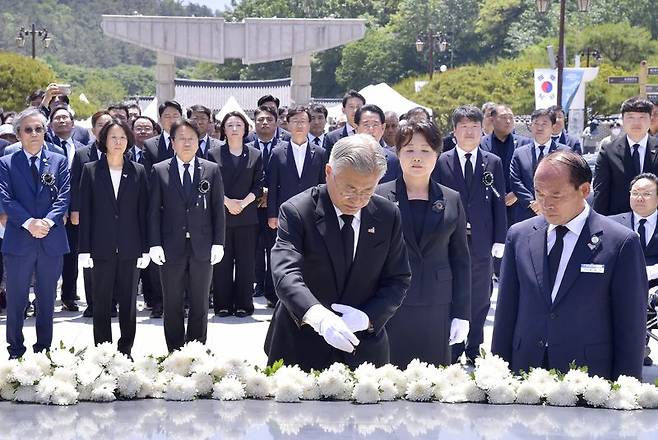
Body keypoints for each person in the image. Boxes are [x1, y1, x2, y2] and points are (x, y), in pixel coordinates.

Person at [492, 150, 647, 380]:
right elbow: (506, 313)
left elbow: (631, 326)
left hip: (588, 378)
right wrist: (497, 376)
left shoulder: (620, 242)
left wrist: (625, 389)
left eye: (556, 195)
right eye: (539, 193)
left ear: (584, 190)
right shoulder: (519, 235)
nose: (545, 204)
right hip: (525, 374)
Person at [264, 134, 411, 370]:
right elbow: (285, 274)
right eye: (349, 188)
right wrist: (318, 317)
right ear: (329, 172)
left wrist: (368, 318)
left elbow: (398, 278)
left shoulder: (387, 215)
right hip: (301, 344)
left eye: (367, 190)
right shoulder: (297, 211)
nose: (358, 199)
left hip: (363, 347)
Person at [375, 121, 470, 367]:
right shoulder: (379, 197)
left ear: (437, 155)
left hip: (437, 304)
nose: (417, 157)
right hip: (391, 304)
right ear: (397, 154)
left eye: (425, 150)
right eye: (409, 150)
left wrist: (462, 313)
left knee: (433, 383)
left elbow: (460, 260)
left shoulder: (451, 199)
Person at [433, 105, 507, 364]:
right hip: (450, 240)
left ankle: (475, 345)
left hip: (482, 241)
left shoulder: (493, 162)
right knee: (452, 291)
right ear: (454, 131)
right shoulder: (442, 161)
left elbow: (499, 202)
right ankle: (453, 346)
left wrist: (500, 238)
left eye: (475, 127)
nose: (470, 132)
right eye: (464, 127)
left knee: (480, 294)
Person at [148, 119, 225, 352]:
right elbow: (152, 212)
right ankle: (175, 352)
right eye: (181, 138)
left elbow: (217, 210)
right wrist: (154, 244)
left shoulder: (211, 170)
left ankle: (196, 352)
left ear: (198, 142)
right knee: (172, 303)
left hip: (202, 246)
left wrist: (218, 243)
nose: (187, 142)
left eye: (191, 138)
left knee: (200, 303)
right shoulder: (160, 170)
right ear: (172, 143)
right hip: (171, 247)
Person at [0, 108, 70, 358]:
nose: (34, 134)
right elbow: (5, 199)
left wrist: (47, 223)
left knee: (46, 300)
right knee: (17, 300)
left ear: (45, 132)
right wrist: (30, 223)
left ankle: (44, 351)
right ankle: (15, 350)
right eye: (28, 129)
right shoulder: (6, 162)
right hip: (19, 240)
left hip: (51, 240)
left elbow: (64, 197)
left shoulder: (59, 159)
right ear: (18, 134)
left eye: (39, 129)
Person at [78, 119, 149, 357]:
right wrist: (84, 249)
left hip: (130, 246)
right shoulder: (90, 170)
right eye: (113, 137)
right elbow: (85, 211)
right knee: (101, 302)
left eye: (122, 138)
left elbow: (144, 212)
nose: (118, 142)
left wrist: (146, 248)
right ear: (104, 141)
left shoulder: (138, 171)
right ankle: (103, 351)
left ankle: (126, 349)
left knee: (129, 303)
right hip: (101, 246)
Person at [209, 112, 263, 317]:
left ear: (245, 128)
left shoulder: (255, 154)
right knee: (222, 262)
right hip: (221, 214)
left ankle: (243, 304)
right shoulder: (213, 154)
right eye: (229, 125)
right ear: (223, 129)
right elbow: (209, 183)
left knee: (245, 263)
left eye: (238, 125)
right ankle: (222, 304)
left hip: (247, 216)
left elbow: (259, 185)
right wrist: (227, 202)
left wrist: (242, 203)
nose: (234, 128)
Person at [609, 172, 658, 366]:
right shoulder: (611, 224)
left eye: (646, 194)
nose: (639, 198)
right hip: (620, 285)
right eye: (635, 192)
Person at [70, 110, 113, 318]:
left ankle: (112, 302)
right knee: (90, 260)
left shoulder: (123, 152)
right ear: (93, 129)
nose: (104, 129)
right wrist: (75, 210)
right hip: (89, 215)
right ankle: (93, 303)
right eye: (101, 126)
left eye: (109, 125)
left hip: (115, 215)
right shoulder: (81, 154)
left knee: (114, 258)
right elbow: (74, 185)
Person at [48, 105, 86, 313]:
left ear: (72, 123)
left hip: (75, 208)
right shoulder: (45, 145)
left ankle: (69, 296)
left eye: (66, 118)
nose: (62, 121)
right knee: (50, 255)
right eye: (57, 118)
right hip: (51, 209)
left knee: (71, 255)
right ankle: (47, 296)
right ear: (51, 124)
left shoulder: (81, 147)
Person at [593, 97, 658, 216]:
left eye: (642, 117)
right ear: (623, 120)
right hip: (620, 222)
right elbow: (601, 192)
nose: (636, 123)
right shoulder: (608, 151)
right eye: (630, 117)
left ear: (650, 119)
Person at [266, 106, 327, 232]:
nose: (299, 125)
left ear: (309, 124)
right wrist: (272, 215)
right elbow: (272, 186)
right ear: (288, 124)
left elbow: (324, 185)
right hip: (285, 210)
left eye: (303, 121)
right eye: (295, 121)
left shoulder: (320, 153)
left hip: (312, 211)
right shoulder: (277, 153)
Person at [249, 105, 284, 306]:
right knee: (253, 249)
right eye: (260, 119)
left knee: (274, 248)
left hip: (275, 206)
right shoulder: (246, 144)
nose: (264, 123)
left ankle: (273, 291)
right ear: (254, 123)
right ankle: (256, 284)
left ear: (276, 123)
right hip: (251, 206)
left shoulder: (284, 144)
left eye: (269, 120)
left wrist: (270, 195)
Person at [510, 108, 569, 223]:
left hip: (556, 211)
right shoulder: (519, 153)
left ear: (553, 127)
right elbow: (515, 181)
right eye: (536, 123)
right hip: (526, 212)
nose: (539, 127)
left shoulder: (565, 152)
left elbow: (567, 180)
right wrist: (532, 203)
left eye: (544, 124)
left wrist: (546, 202)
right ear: (531, 126)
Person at [480, 104, 531, 225]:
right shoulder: (481, 144)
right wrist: (498, 195)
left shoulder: (525, 143)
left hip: (519, 206)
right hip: (490, 204)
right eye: (503, 117)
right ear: (492, 119)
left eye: (511, 118)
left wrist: (516, 193)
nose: (508, 121)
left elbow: (530, 172)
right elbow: (480, 173)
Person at [354, 104, 400, 184]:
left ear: (383, 128)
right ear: (356, 128)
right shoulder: (345, 157)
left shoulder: (394, 161)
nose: (371, 130)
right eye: (366, 125)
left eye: (375, 125)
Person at [324, 90, 366, 154]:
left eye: (358, 107)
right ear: (343, 110)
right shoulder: (332, 137)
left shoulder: (371, 134)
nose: (355, 110)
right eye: (351, 107)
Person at [144, 100, 183, 166]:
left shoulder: (191, 142)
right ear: (160, 119)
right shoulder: (149, 145)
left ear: (181, 118)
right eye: (167, 116)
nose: (172, 120)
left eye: (175, 116)